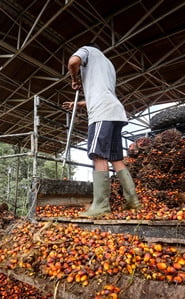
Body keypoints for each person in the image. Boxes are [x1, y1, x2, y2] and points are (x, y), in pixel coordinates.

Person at [62, 43, 141, 217]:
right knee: (116, 158)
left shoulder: (87, 50)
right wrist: (79, 103)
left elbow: (73, 62)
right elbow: (101, 93)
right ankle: (133, 202)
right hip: (114, 111)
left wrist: (74, 80)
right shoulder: (108, 65)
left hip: (101, 113)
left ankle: (101, 206)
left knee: (98, 155)